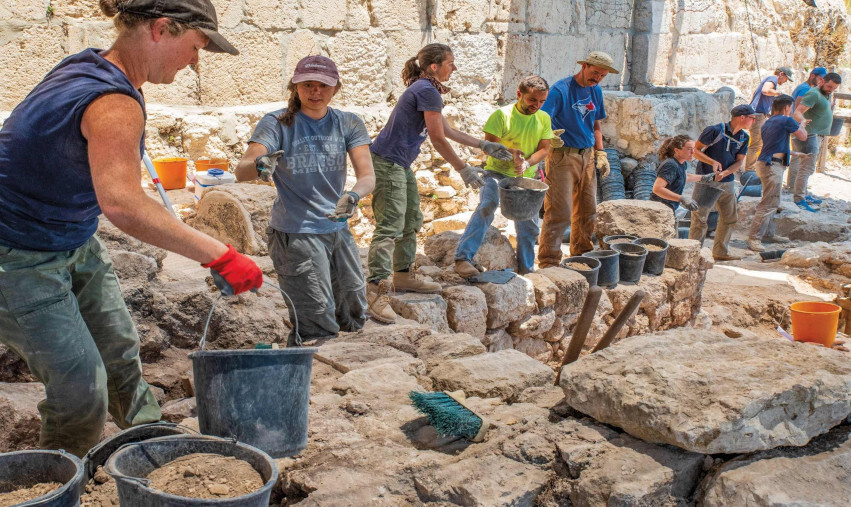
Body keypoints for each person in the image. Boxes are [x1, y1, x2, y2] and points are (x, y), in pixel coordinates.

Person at [0, 0, 262, 457]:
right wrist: (218, 253)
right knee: (81, 390)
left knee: (120, 350)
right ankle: (57, 481)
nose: (196, 61)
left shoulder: (91, 66)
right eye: (196, 46)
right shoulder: (113, 102)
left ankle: (151, 445)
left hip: (71, 236)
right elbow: (122, 204)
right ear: (162, 30)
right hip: (16, 252)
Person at [365, 43, 512, 324]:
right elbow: (437, 138)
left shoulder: (425, 89)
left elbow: (446, 129)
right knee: (390, 226)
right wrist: (463, 169)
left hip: (397, 162)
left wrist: (483, 145)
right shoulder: (427, 91)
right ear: (434, 66)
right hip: (387, 162)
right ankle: (376, 291)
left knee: (411, 220)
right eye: (450, 63)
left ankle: (404, 276)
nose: (453, 68)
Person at [235, 56, 375, 345]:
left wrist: (353, 195)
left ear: (335, 89)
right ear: (295, 87)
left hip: (337, 229)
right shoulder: (277, 123)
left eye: (323, 85)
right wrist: (261, 164)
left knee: (353, 309)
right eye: (307, 84)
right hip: (297, 233)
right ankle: (308, 378)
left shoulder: (347, 123)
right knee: (316, 318)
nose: (315, 92)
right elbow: (242, 169)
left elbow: (367, 176)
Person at [454, 76, 554, 278]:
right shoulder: (502, 116)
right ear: (519, 94)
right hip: (497, 173)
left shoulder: (543, 118)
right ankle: (463, 258)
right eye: (532, 100)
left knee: (528, 224)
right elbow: (490, 148)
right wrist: (512, 153)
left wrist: (527, 162)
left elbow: (544, 149)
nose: (537, 105)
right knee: (487, 206)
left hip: (525, 177)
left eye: (542, 101)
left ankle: (527, 271)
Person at [537, 51, 616, 268]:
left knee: (587, 210)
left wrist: (601, 153)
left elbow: (596, 123)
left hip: (587, 155)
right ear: (584, 66)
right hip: (563, 155)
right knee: (559, 211)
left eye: (602, 75)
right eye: (595, 73)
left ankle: (582, 254)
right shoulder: (561, 90)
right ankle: (549, 261)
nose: (597, 78)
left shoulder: (596, 90)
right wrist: (549, 136)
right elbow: (542, 119)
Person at [688, 105, 754, 261]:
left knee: (729, 217)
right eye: (752, 118)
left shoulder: (744, 137)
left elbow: (739, 162)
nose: (754, 121)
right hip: (707, 180)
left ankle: (720, 251)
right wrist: (712, 163)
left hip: (727, 182)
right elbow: (695, 151)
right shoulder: (715, 130)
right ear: (742, 117)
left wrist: (726, 172)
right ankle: (692, 253)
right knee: (700, 218)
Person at [747, 94, 808, 252]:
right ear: (787, 107)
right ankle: (754, 238)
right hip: (772, 166)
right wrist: (802, 123)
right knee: (768, 203)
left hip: (768, 163)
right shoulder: (786, 120)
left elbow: (774, 145)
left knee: (773, 202)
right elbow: (803, 136)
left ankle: (768, 233)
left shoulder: (768, 122)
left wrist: (795, 154)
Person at [790, 72, 842, 211]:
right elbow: (797, 112)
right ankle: (799, 198)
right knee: (806, 167)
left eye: (834, 88)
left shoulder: (824, 94)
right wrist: (802, 121)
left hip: (815, 134)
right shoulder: (814, 94)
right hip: (809, 134)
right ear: (822, 81)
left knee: (808, 167)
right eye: (830, 86)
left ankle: (803, 194)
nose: (831, 89)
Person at [786, 66, 826, 193]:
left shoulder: (804, 88)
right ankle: (796, 188)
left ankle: (793, 185)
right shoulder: (805, 89)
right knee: (803, 158)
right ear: (812, 76)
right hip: (800, 127)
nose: (821, 82)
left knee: (797, 156)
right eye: (820, 79)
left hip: (797, 126)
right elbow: (798, 109)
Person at [650, 135, 714, 213]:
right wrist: (681, 198)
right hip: (659, 209)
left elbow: (682, 176)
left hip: (669, 208)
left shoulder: (682, 163)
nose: (693, 152)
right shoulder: (670, 165)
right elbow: (657, 189)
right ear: (677, 150)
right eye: (689, 149)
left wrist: (703, 177)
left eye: (693, 149)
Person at [745, 67, 793, 168]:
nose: (785, 81)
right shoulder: (773, 79)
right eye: (786, 79)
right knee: (756, 145)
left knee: (758, 144)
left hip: (759, 114)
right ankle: (749, 170)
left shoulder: (771, 80)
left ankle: (751, 168)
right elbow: (765, 90)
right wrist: (778, 93)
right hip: (758, 115)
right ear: (781, 74)